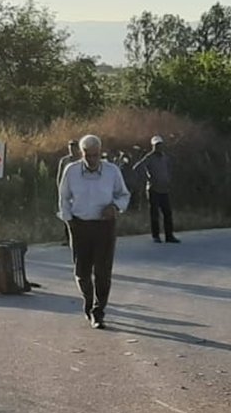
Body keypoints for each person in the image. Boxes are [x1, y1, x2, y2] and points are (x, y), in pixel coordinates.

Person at [58, 134, 131, 329]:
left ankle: (98, 311)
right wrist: (69, 221)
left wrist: (115, 207)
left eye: (95, 155)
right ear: (82, 154)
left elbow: (124, 195)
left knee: (102, 271)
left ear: (100, 153)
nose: (92, 160)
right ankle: (88, 302)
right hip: (80, 225)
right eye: (88, 155)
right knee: (82, 272)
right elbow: (64, 198)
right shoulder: (71, 171)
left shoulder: (111, 171)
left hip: (104, 226)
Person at [133, 134, 178, 243]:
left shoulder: (165, 157)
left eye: (160, 144)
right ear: (153, 146)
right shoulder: (149, 157)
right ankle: (156, 236)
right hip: (153, 189)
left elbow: (168, 169)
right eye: (156, 145)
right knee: (155, 214)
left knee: (167, 213)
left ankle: (169, 235)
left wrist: (168, 178)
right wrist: (148, 177)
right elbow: (137, 167)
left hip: (164, 189)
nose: (158, 147)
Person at [56, 140, 79, 248]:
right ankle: (68, 238)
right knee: (66, 214)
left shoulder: (82, 160)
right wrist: (60, 189)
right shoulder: (65, 161)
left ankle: (79, 237)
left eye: (73, 147)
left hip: (79, 192)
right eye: (70, 148)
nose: (72, 150)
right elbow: (59, 176)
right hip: (67, 191)